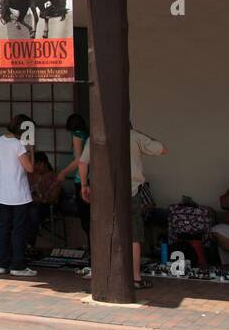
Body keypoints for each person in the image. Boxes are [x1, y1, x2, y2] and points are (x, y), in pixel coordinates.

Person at [79, 127, 168, 291]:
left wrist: (84, 185)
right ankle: (135, 277)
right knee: (134, 235)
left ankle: (101, 273)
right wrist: (143, 134)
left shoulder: (96, 135)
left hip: (102, 191)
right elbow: (162, 149)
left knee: (103, 231)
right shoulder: (134, 136)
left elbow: (83, 161)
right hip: (130, 191)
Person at [0, 113, 37, 277]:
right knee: (18, 230)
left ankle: (1, 264)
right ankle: (18, 264)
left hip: (1, 193)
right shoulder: (18, 145)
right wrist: (31, 149)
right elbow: (30, 168)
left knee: (5, 228)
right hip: (17, 194)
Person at [56, 113, 90, 246]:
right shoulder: (88, 135)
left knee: (85, 217)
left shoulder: (77, 135)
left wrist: (63, 173)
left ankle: (92, 252)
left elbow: (78, 160)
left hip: (81, 179)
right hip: (92, 177)